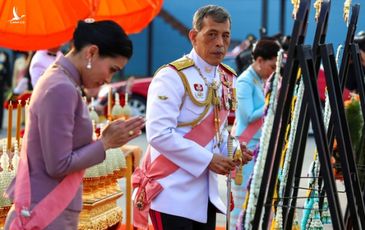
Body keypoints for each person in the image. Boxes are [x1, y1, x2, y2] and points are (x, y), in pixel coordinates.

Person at [4, 20, 145, 230]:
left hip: (51, 206)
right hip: (46, 210)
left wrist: (103, 141)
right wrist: (105, 143)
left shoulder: (63, 81)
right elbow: (58, 165)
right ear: (92, 53)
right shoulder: (61, 87)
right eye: (112, 69)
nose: (109, 79)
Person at [132, 5, 251, 230]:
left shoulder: (226, 78)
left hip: (207, 195)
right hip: (171, 194)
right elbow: (159, 135)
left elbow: (219, 132)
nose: (220, 43)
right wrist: (208, 159)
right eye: (212, 34)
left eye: (225, 36)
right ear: (194, 36)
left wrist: (233, 150)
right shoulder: (172, 76)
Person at [231, 39, 281, 229]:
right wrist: (273, 102)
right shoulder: (245, 80)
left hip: (259, 147)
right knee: (243, 201)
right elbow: (248, 115)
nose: (274, 71)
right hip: (246, 148)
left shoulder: (261, 79)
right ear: (259, 60)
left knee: (259, 198)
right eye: (272, 66)